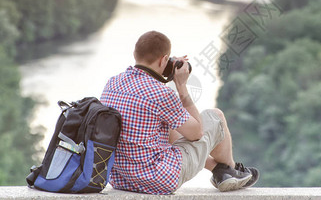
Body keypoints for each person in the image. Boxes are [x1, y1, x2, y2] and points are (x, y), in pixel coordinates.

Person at [100, 30, 259, 194]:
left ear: (135, 53)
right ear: (163, 60)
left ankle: (219, 169)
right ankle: (231, 171)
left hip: (120, 179)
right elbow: (197, 133)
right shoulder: (161, 94)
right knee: (216, 116)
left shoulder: (112, 84)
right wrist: (181, 86)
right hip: (158, 180)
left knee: (169, 126)